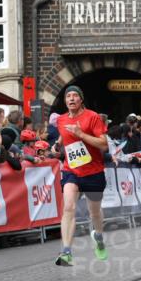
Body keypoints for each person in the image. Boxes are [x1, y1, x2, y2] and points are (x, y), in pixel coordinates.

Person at [54, 85, 109, 267]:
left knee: (94, 213)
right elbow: (63, 137)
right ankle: (66, 251)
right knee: (68, 207)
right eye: (68, 96)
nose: (71, 99)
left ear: (81, 99)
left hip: (93, 172)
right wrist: (56, 146)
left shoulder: (92, 117)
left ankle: (99, 236)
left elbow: (103, 145)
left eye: (75, 96)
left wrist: (80, 134)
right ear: (65, 101)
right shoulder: (61, 120)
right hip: (72, 171)